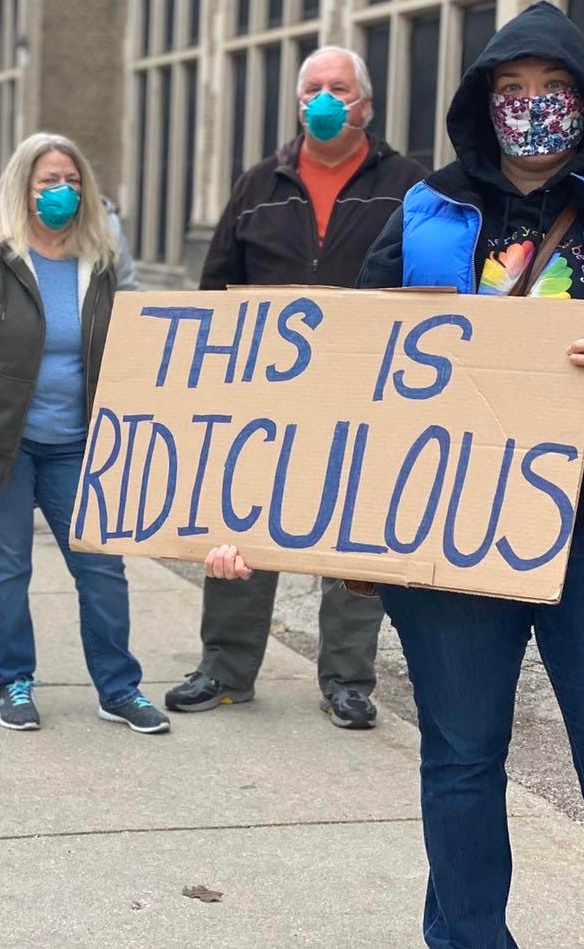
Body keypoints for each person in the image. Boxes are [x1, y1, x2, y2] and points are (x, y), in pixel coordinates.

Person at [208, 1, 584, 947]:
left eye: (552, 89)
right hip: (456, 548)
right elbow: (343, 383)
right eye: (512, 89)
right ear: (481, 103)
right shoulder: (425, 217)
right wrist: (254, 518)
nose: (533, 107)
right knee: (461, 764)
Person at [166, 45, 427, 732]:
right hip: (263, 398)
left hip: (365, 394)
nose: (325, 98)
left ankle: (347, 679)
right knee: (242, 529)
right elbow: (217, 285)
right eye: (313, 87)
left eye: (338, 88)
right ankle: (224, 668)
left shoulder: (409, 185)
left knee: (352, 538)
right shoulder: (260, 183)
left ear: (365, 104)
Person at [0, 132, 170, 735]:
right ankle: (13, 680)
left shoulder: (99, 257)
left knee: (102, 568)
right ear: (21, 188)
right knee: (8, 566)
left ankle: (119, 688)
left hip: (77, 442)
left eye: (71, 180)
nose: (62, 191)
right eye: (47, 182)